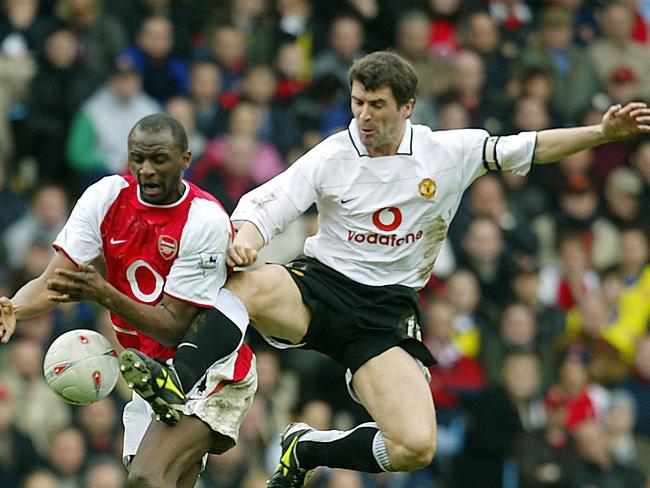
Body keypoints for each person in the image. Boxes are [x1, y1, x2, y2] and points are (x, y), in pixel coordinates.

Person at [119, 51, 650, 487]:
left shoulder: (448, 152)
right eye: (357, 103)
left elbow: (530, 147)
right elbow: (271, 201)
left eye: (376, 105)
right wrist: (248, 236)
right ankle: (178, 377)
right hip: (319, 289)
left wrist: (600, 134)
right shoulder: (334, 153)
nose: (364, 117)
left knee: (416, 445)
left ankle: (306, 449)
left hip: (385, 316)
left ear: (407, 107)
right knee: (248, 283)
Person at [0, 113, 257, 488]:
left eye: (159, 159)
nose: (147, 170)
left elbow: (175, 326)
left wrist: (104, 293)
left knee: (146, 478)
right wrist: (15, 308)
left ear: (185, 160)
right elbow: (54, 279)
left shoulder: (204, 220)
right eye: (138, 158)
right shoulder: (106, 197)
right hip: (149, 376)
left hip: (205, 368)